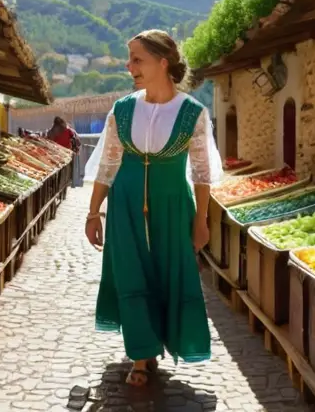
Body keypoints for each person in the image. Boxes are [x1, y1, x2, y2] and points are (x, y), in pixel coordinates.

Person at [83, 29, 223, 386]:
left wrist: (201, 221)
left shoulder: (193, 112)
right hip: (125, 207)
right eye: (130, 59)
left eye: (137, 59)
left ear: (163, 63)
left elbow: (202, 173)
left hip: (175, 207)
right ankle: (141, 356)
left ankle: (167, 341)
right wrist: (93, 211)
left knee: (169, 274)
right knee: (130, 273)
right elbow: (109, 164)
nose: (129, 66)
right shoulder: (123, 109)